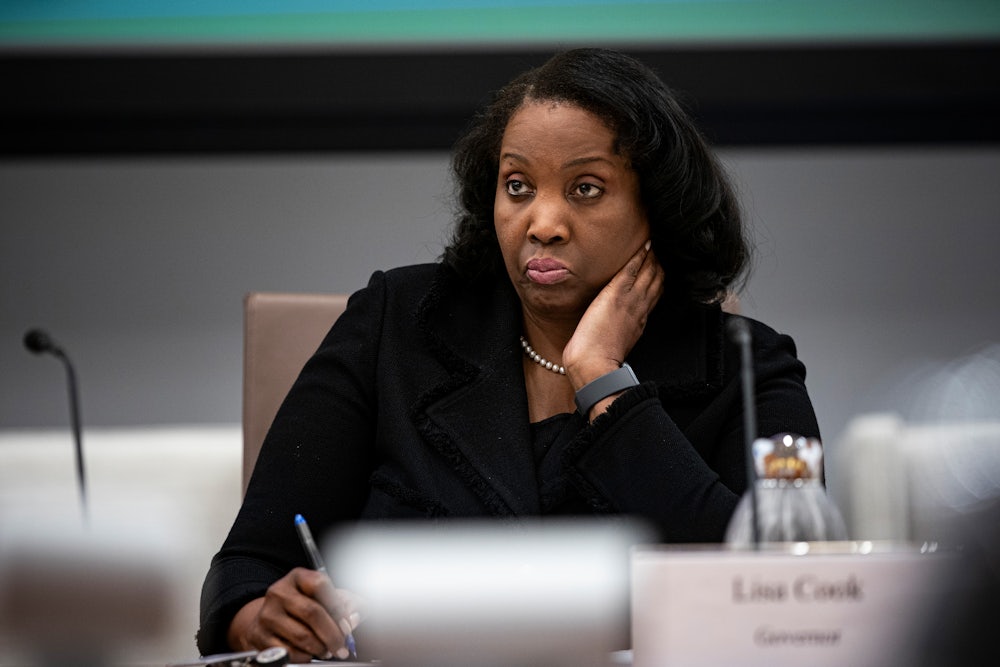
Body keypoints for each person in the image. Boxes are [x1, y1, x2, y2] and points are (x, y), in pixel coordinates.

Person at [197, 47, 820, 661]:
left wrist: (603, 382)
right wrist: (261, 618)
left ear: (657, 206)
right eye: (517, 185)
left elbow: (776, 600)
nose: (542, 222)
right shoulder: (397, 323)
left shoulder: (745, 367)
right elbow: (250, 565)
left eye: (586, 188)